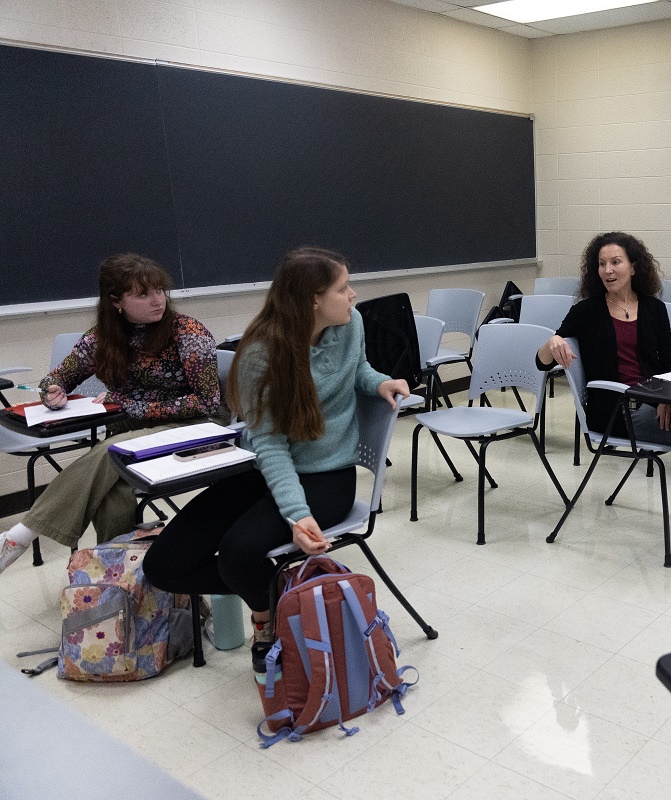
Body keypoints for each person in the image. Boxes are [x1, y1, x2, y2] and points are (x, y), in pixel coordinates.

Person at [142, 247, 410, 665]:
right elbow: (268, 445)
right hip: (266, 469)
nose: (353, 295)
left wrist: (379, 383)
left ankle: (266, 619)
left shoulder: (350, 324)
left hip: (328, 475)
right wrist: (295, 513)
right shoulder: (260, 355)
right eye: (343, 288)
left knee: (238, 554)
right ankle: (285, 593)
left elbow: (357, 370)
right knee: (163, 566)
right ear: (312, 301)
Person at [0, 254, 220, 574]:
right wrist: (52, 392)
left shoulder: (187, 332)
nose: (158, 300)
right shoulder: (103, 336)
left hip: (196, 425)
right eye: (143, 294)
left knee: (113, 452)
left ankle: (17, 538)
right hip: (138, 427)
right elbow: (58, 377)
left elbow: (208, 402)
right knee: (113, 490)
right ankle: (120, 576)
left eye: (160, 290)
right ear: (116, 301)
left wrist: (136, 406)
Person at [536, 232, 671, 562]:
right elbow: (541, 361)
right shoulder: (586, 311)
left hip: (653, 404)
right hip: (614, 413)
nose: (608, 270)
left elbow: (669, 366)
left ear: (634, 266)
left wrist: (670, 399)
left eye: (616, 262)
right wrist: (552, 343)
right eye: (602, 264)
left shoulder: (653, 309)